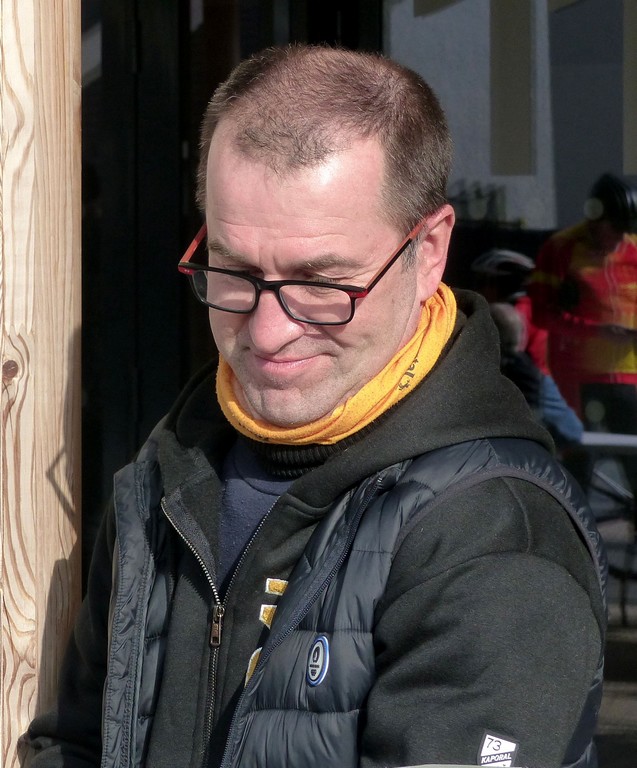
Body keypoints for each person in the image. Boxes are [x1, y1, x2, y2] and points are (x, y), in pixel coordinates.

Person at [26, 45, 606, 768]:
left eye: (322, 285)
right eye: (233, 271)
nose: (269, 332)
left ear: (429, 251)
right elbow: (79, 742)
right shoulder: (171, 468)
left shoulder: (492, 533)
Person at [528, 173, 637, 499]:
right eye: (615, 228)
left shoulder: (633, 249)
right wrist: (597, 331)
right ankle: (578, 527)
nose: (620, 238)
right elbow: (541, 313)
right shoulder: (560, 249)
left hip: (628, 377)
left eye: (627, 230)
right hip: (577, 377)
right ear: (595, 218)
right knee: (579, 467)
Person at [471, 249, 584, 450]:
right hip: (548, 395)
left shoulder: (514, 313)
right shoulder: (537, 308)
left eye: (483, 282)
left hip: (535, 396)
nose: (479, 290)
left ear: (500, 284)